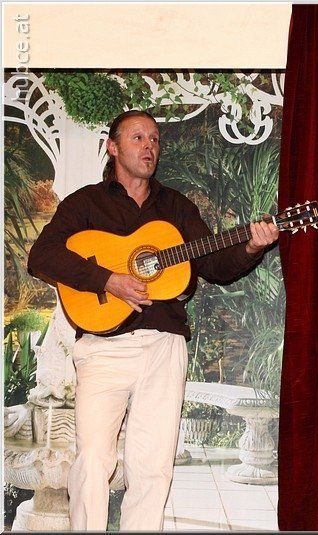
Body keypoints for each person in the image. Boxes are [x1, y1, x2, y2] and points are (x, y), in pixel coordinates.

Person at [27, 110, 279, 531]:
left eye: (155, 139)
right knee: (93, 461)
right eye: (138, 137)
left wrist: (252, 246)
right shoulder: (85, 203)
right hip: (103, 347)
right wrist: (109, 280)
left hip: (164, 345)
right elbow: (42, 256)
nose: (149, 147)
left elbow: (215, 266)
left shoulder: (176, 207)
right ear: (113, 147)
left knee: (153, 467)